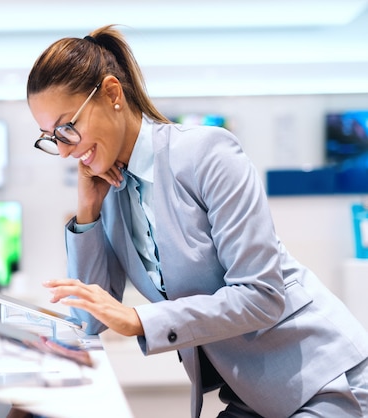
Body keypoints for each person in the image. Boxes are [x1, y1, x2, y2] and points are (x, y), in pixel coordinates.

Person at [26, 24, 368, 418]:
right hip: (254, 393)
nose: (65, 151)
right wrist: (88, 208)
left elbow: (261, 294)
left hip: (322, 380)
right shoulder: (113, 193)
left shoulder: (207, 153)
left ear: (112, 93)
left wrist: (140, 319)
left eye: (68, 128)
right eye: (51, 137)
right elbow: (89, 320)